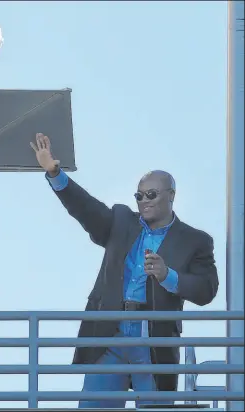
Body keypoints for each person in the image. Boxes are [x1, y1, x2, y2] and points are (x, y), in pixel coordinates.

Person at [30, 133, 219, 409]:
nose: (144, 200)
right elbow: (86, 209)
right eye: (139, 195)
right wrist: (54, 173)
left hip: (153, 340)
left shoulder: (195, 240)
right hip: (110, 331)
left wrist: (168, 276)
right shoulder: (121, 221)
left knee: (156, 407)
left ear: (171, 196)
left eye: (152, 194)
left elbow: (206, 290)